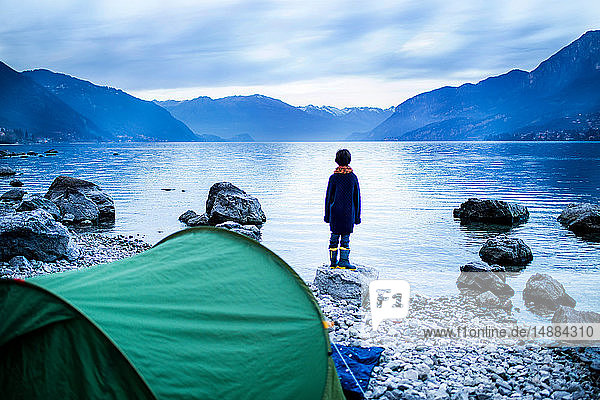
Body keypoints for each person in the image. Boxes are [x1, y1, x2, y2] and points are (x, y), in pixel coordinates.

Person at [324, 149, 361, 269]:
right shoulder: (353, 178)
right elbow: (357, 199)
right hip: (348, 213)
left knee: (334, 237)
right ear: (349, 160)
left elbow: (328, 198)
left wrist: (327, 215)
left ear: (336, 161)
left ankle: (333, 263)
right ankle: (343, 261)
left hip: (335, 213)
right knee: (345, 238)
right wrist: (357, 217)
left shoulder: (333, 178)